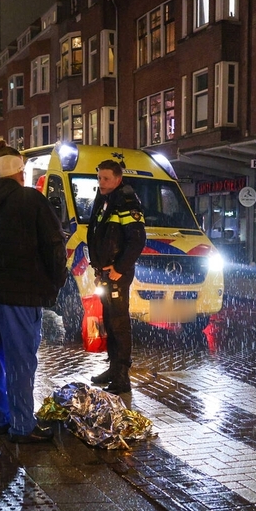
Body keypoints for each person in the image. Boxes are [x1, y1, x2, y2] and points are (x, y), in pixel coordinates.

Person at [0, 141, 67, 443]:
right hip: (20, 296)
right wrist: (55, 282)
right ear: (21, 173)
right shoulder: (31, 200)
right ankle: (23, 425)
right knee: (20, 360)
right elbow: (54, 245)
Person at [87, 159, 146, 394]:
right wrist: (99, 266)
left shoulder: (126, 200)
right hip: (106, 271)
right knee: (110, 321)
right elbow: (98, 233)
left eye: (106, 178)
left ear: (118, 179)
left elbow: (137, 239)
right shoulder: (104, 199)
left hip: (117, 273)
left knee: (119, 323)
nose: (101, 183)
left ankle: (122, 377)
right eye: (99, 178)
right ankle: (113, 369)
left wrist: (119, 268)